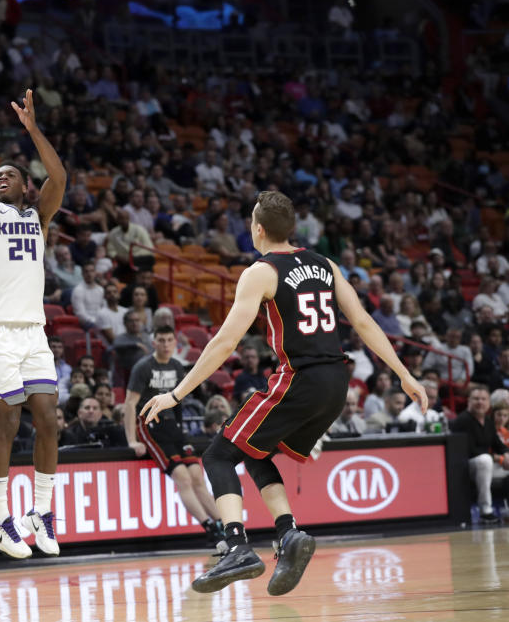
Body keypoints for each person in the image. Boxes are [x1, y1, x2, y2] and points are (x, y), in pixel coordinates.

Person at [140, 191, 427, 596]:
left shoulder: (260, 271)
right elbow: (361, 321)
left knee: (218, 454)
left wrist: (177, 394)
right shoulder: (325, 265)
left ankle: (237, 546)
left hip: (301, 378)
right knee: (256, 451)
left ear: (257, 229)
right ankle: (289, 534)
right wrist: (403, 374)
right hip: (336, 383)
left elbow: (225, 342)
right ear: (291, 228)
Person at [0, 86, 66, 559]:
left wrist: (32, 129)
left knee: (48, 419)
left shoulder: (39, 216)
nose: (0, 179)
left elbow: (59, 176)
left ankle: (40, 513)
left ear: (25, 185)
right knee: (7, 421)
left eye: (10, 176)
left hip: (34, 332)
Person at [124, 325, 226, 552]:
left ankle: (227, 526)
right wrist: (132, 440)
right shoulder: (144, 367)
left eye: (170, 340)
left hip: (174, 426)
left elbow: (179, 400)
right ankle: (209, 527)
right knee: (182, 476)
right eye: (161, 340)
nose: (166, 344)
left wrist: (180, 427)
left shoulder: (177, 366)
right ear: (154, 342)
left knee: (197, 476)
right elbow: (130, 404)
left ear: (175, 343)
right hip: (150, 424)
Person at [449, 385, 509, 524]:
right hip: (465, 466)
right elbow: (470, 450)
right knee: (485, 459)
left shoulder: (488, 421)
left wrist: (506, 454)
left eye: (483, 399)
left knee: (490, 460)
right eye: (476, 399)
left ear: (489, 403)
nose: (480, 402)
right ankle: (485, 510)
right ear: (468, 401)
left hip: (486, 465)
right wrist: (499, 458)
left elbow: (497, 444)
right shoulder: (463, 420)